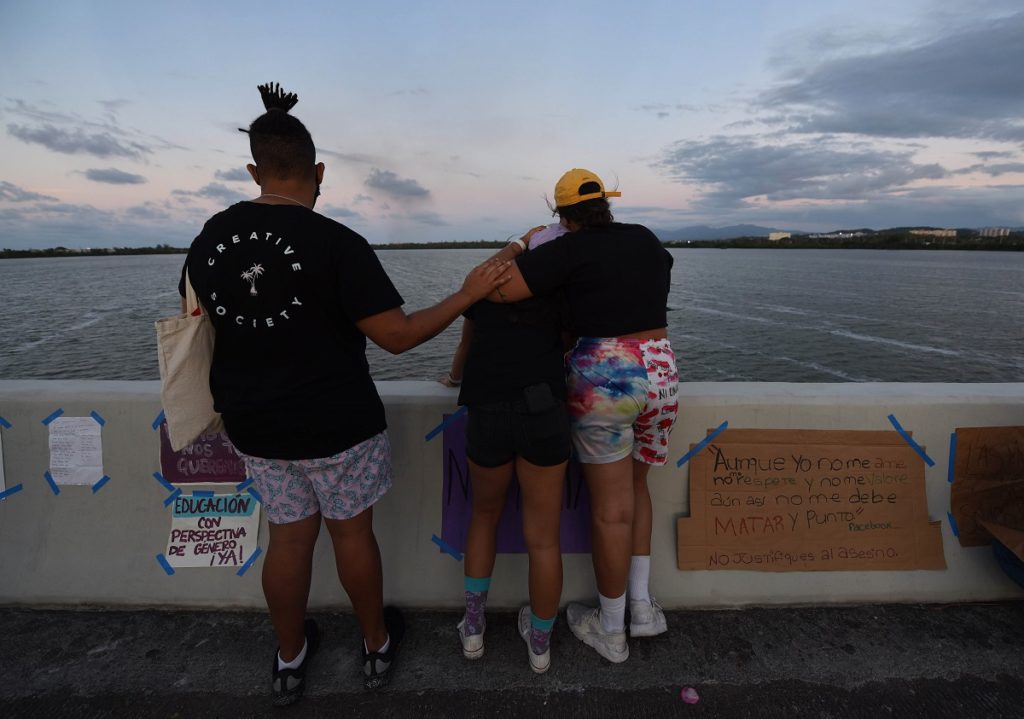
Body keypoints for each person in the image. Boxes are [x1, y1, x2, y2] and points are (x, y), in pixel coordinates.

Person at [178, 83, 510, 705]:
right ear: (319, 172)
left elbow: (204, 323)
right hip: (338, 424)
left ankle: (290, 657)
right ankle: (377, 647)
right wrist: (467, 294)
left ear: (254, 169)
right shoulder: (337, 244)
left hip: (256, 424)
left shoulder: (210, 240)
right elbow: (399, 337)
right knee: (352, 536)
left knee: (287, 539)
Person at [481, 168, 679, 664]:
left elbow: (495, 289)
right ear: (606, 205)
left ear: (562, 215)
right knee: (638, 491)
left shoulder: (568, 248)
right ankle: (643, 609)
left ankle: (611, 629)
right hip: (661, 366)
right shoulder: (645, 239)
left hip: (607, 376)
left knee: (610, 508)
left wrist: (519, 245)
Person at [439, 275, 571, 673]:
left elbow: (466, 347)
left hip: (488, 411)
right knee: (544, 538)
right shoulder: (556, 295)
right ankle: (540, 645)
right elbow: (566, 346)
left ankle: (475, 628)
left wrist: (452, 379)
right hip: (543, 412)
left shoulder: (481, 294)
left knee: (483, 516)